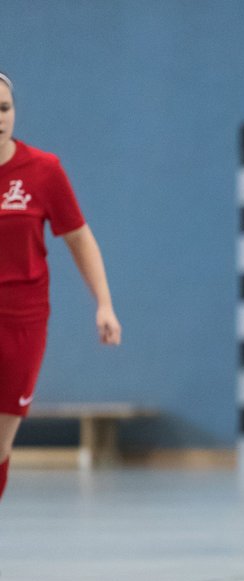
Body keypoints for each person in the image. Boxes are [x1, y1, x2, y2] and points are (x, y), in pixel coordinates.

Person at [0, 71, 122, 503]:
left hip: (22, 320)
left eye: (5, 108)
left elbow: (79, 237)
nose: (0, 118)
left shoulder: (43, 170)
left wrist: (104, 304)